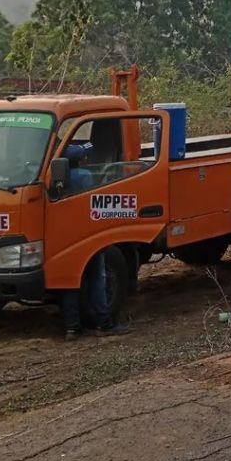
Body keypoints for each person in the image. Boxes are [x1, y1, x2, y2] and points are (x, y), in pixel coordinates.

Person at [58, 143, 131, 341]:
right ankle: (104, 323)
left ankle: (72, 328)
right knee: (98, 278)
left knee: (69, 282)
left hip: (62, 237)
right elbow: (93, 204)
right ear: (80, 160)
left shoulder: (52, 176)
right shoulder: (83, 177)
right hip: (86, 236)